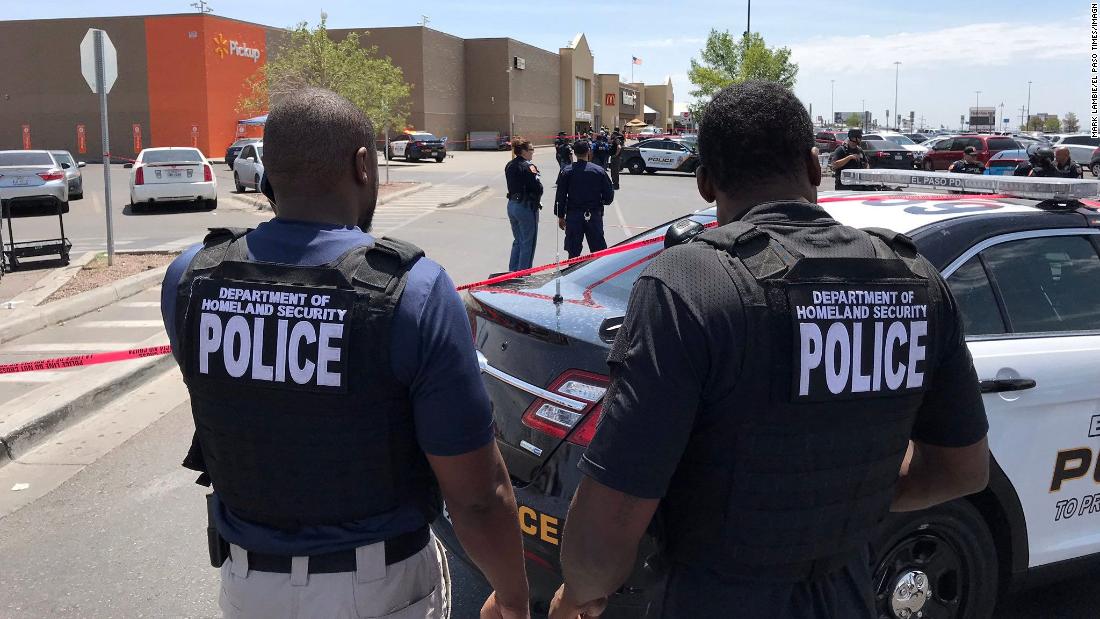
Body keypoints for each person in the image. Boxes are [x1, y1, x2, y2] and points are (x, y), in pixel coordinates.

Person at [549, 81, 990, 619]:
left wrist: (578, 592)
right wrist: (842, 499)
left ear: (706, 182)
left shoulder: (689, 282)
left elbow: (609, 520)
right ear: (812, 166)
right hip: (849, 592)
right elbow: (962, 470)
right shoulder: (916, 280)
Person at [161, 87, 530, 619]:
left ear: (268, 175)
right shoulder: (415, 291)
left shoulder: (190, 277)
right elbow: (477, 495)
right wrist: (514, 599)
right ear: (363, 165)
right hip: (379, 589)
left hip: (247, 587)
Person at [555, 140, 614, 258]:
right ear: (589, 151)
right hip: (593, 214)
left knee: (573, 252)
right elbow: (609, 195)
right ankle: (600, 274)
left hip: (574, 216)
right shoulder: (599, 171)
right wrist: (602, 202)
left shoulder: (566, 171)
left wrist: (560, 216)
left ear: (575, 153)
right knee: (598, 251)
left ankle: (572, 275)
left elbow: (560, 196)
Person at [504, 139, 543, 271]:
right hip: (525, 207)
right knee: (528, 243)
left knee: (518, 241)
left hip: (512, 205)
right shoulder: (529, 166)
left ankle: (512, 273)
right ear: (524, 151)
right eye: (531, 150)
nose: (533, 152)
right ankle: (523, 276)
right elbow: (538, 188)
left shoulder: (510, 164)